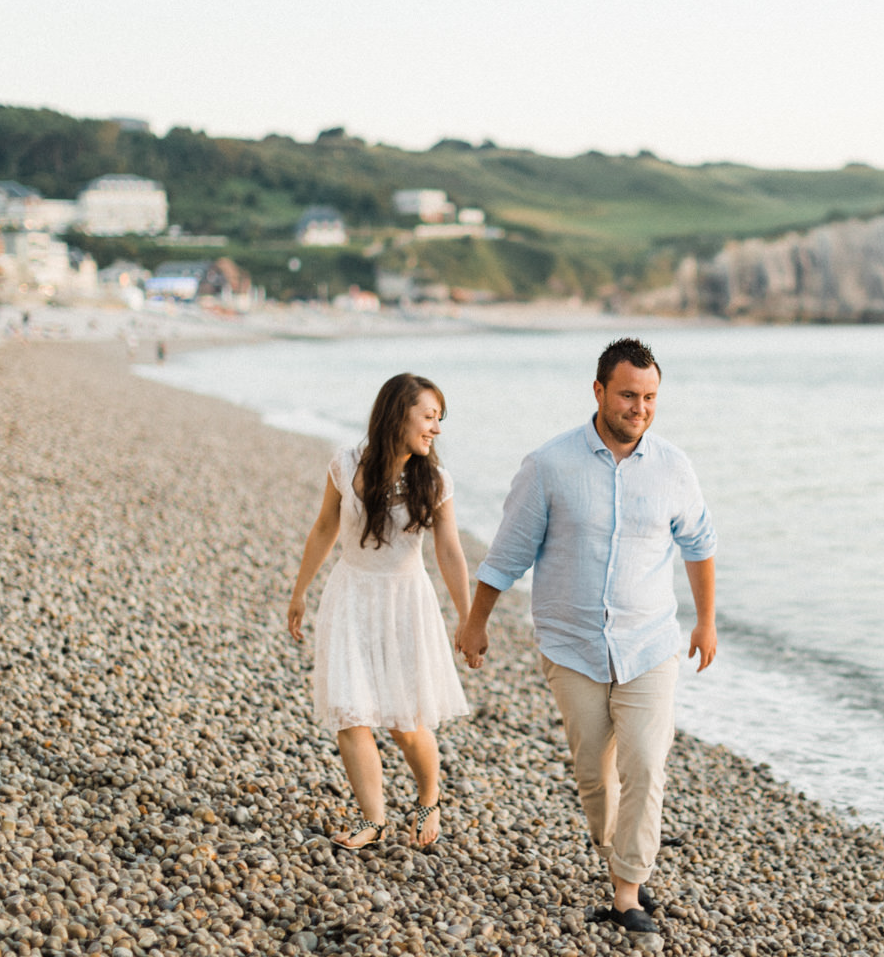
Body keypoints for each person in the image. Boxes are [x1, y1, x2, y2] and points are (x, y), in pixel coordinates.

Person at [456, 338, 717, 935]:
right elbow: (508, 553)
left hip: (650, 643)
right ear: (598, 391)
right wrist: (476, 622)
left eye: (650, 397)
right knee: (595, 774)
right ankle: (620, 853)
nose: (640, 408)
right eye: (628, 395)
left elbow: (700, 545)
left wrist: (705, 620)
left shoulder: (675, 467)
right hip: (571, 646)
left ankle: (628, 889)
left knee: (646, 763)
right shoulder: (549, 465)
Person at [288, 373, 471, 849]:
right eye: (428, 417)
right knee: (351, 713)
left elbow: (449, 551)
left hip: (405, 603)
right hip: (350, 596)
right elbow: (325, 527)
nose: (436, 428)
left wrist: (470, 617)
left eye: (439, 419)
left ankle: (429, 795)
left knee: (405, 724)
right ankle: (374, 820)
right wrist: (299, 591)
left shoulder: (436, 480)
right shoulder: (345, 465)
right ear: (398, 414)